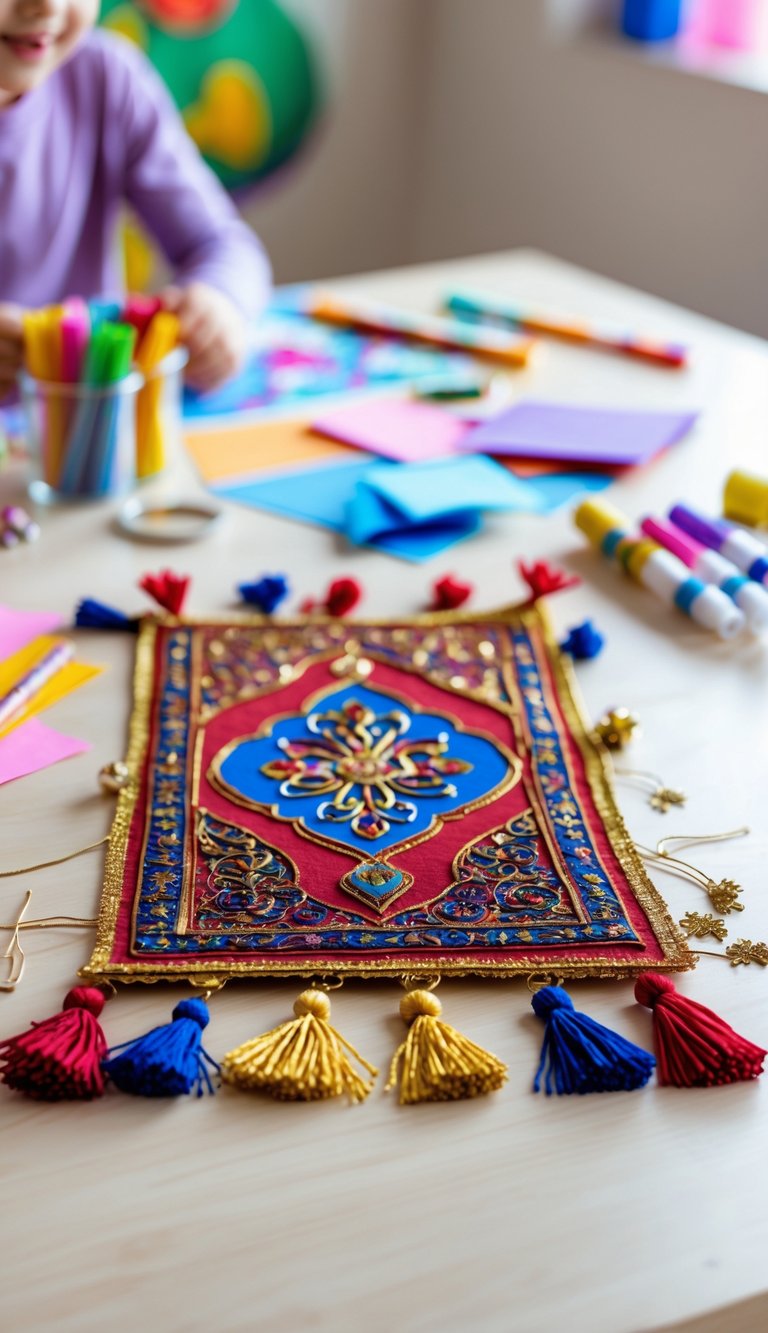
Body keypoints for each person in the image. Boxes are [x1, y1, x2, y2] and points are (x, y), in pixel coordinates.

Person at [0, 0, 271, 399]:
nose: (48, 5)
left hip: (93, 435)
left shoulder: (105, 76)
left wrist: (219, 305)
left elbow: (226, 245)